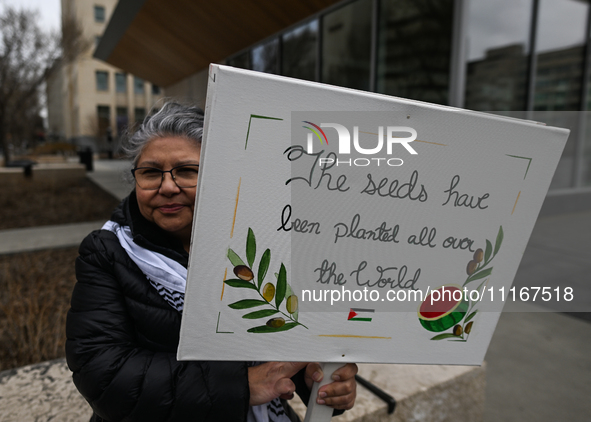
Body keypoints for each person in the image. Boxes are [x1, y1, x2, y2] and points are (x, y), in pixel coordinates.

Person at [66, 101, 357, 421]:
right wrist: (242, 385)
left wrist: (317, 380)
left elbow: (287, 342)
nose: (167, 186)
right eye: (150, 172)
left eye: (187, 171)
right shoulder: (107, 253)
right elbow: (103, 376)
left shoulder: (263, 244)